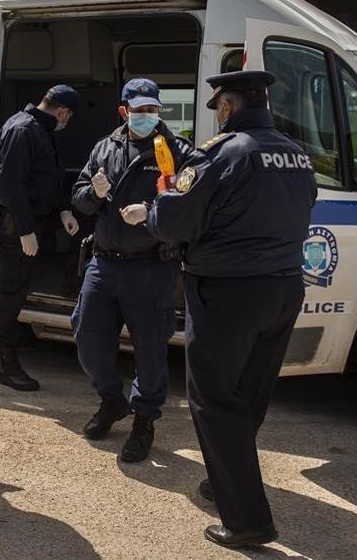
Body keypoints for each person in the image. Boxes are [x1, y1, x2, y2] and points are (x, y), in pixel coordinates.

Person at [121, 70, 317, 548]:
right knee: (249, 393)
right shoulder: (296, 154)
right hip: (285, 286)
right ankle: (228, 478)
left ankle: (248, 520)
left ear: (227, 107)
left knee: (214, 400)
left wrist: (154, 205)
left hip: (229, 291)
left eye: (219, 108)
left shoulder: (222, 153)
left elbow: (172, 221)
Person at [70, 78, 197, 463]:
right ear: (124, 111)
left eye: (153, 110)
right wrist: (93, 192)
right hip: (105, 263)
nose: (147, 116)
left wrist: (152, 212)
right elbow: (79, 199)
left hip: (150, 267)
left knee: (150, 349)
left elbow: (191, 202)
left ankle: (144, 419)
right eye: (140, 110)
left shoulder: (175, 150)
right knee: (87, 335)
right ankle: (112, 401)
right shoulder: (104, 147)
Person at [0, 84, 82, 391]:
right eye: (69, 117)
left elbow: (43, 180)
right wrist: (25, 230)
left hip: (33, 223)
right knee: (9, 295)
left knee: (18, 289)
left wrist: (63, 212)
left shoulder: (38, 129)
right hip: (16, 229)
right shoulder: (23, 129)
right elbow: (12, 186)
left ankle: (11, 357)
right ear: (63, 111)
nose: (67, 121)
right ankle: (7, 366)